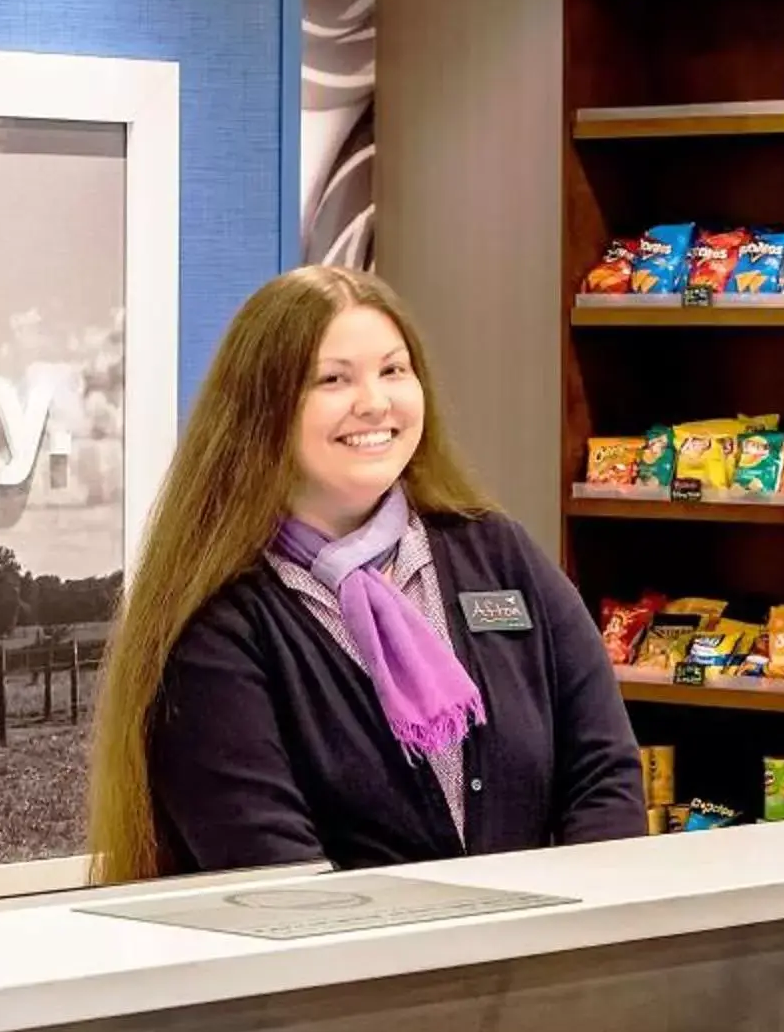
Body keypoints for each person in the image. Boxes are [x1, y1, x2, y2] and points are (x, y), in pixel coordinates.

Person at [88, 267, 645, 881]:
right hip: (349, 974)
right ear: (261, 408)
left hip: (547, 966)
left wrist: (582, 930)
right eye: (333, 379)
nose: (375, 403)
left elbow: (604, 775)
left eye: (393, 370)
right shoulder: (216, 629)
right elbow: (274, 878)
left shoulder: (497, 551)